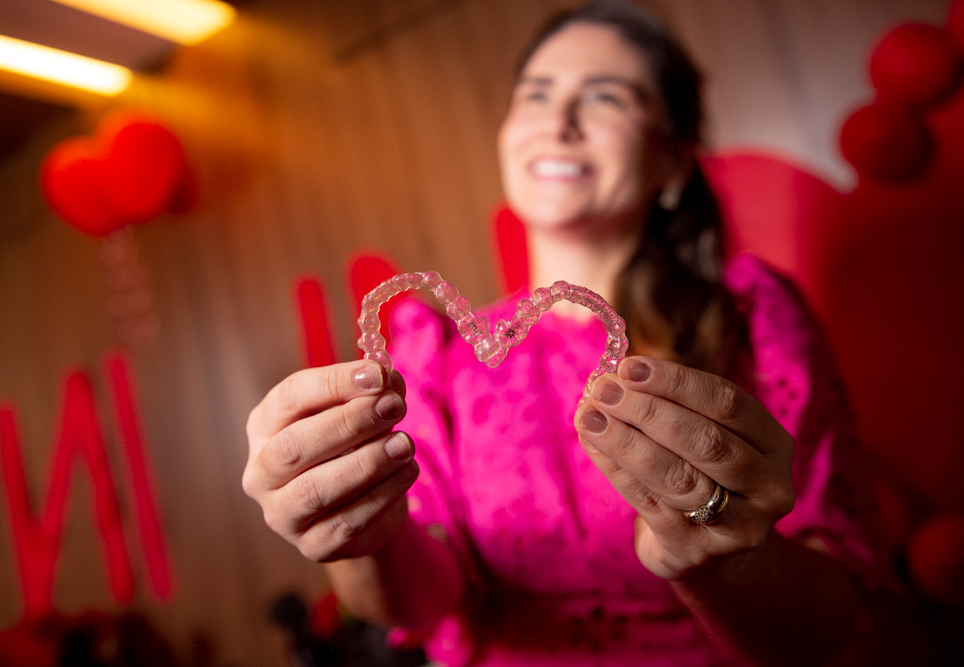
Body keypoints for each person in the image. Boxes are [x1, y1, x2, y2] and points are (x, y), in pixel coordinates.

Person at [243, 3, 887, 665]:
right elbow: (422, 599)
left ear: (672, 160)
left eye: (605, 97)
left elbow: (833, 616)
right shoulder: (434, 354)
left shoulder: (751, 316)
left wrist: (724, 559)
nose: (558, 121)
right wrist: (356, 532)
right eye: (536, 95)